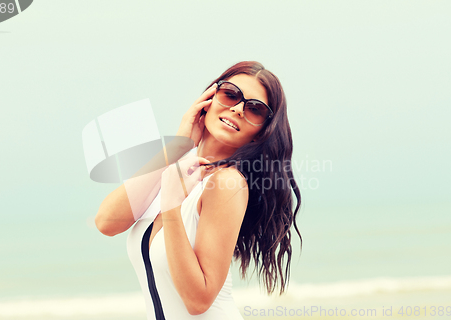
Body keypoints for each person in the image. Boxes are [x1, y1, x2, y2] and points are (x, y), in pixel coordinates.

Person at [95, 61, 302, 319]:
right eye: (230, 94)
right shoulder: (174, 173)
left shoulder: (227, 184)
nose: (237, 108)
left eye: (255, 109)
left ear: (261, 132)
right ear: (209, 98)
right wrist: (178, 146)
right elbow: (106, 222)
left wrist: (171, 205)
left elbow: (198, 300)